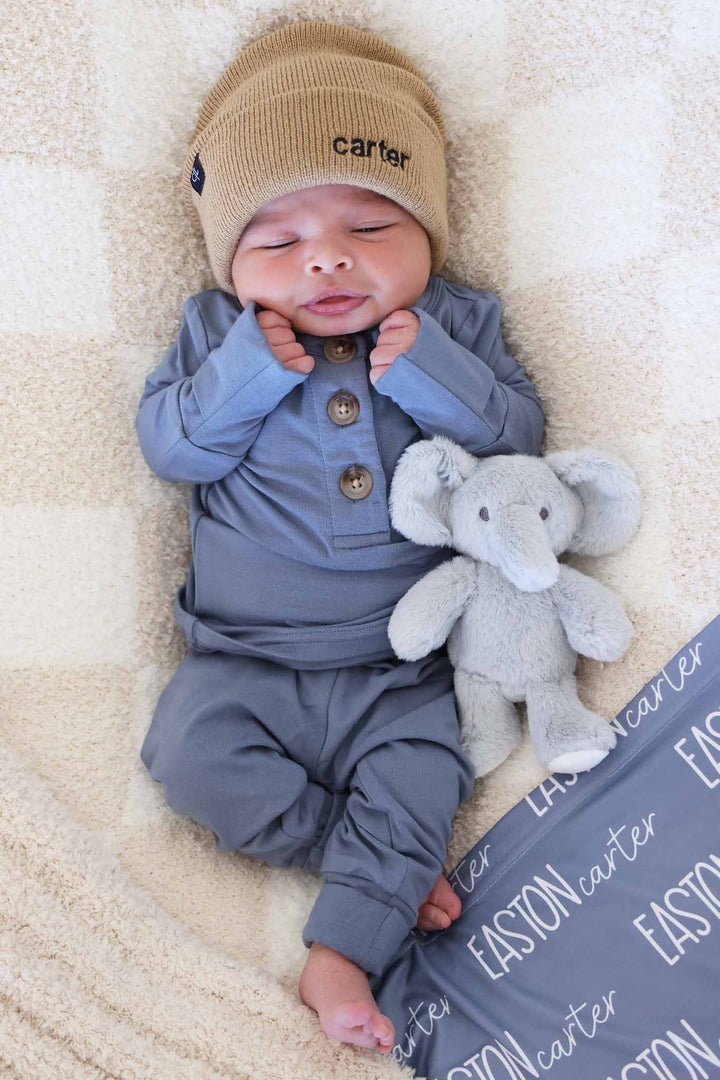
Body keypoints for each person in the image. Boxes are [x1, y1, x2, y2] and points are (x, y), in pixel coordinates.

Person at [136, 20, 545, 1054]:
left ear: (427, 231)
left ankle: (344, 951)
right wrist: (243, 373)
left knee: (426, 772)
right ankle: (366, 859)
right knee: (184, 757)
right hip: (244, 663)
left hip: (401, 666)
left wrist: (433, 372)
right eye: (277, 241)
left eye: (370, 226)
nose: (325, 257)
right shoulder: (211, 334)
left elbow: (519, 442)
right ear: (233, 260)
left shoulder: (458, 325)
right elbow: (170, 448)